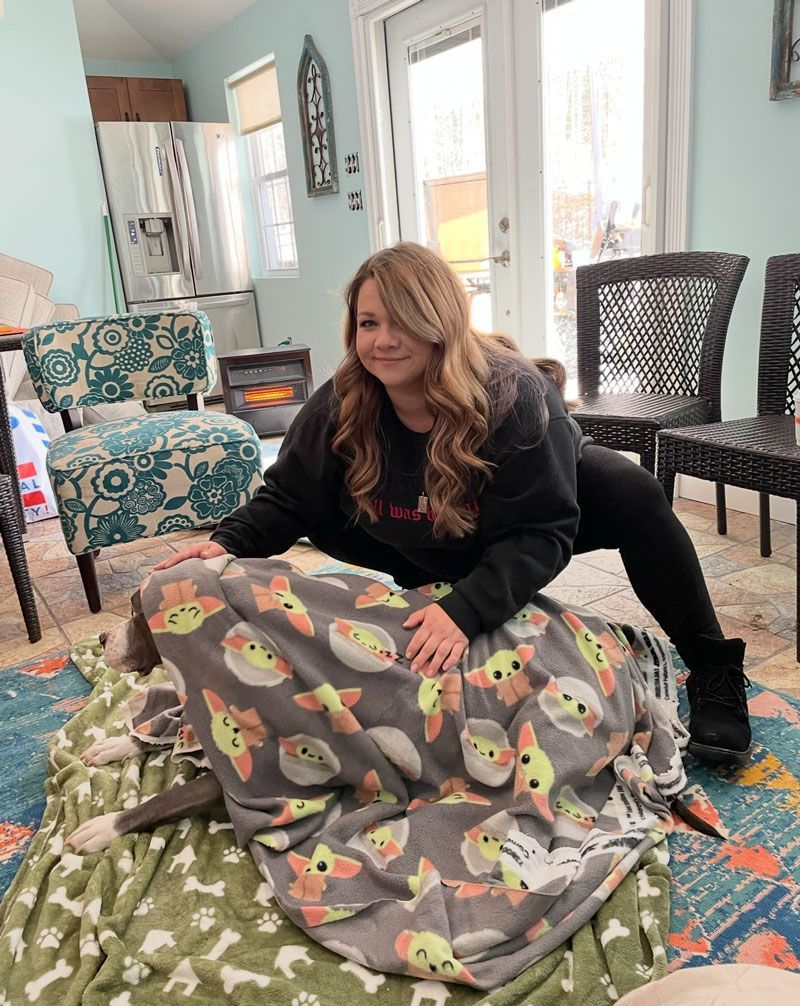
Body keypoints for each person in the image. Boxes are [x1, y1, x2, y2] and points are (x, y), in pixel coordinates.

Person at [155, 242, 751, 766]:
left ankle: (714, 668)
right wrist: (226, 542)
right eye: (368, 323)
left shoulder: (516, 393)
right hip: (424, 531)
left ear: (442, 322)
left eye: (405, 322)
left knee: (631, 489)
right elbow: (289, 496)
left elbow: (540, 531)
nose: (383, 341)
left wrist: (469, 610)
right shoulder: (342, 399)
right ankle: (434, 589)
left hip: (525, 515)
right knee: (323, 504)